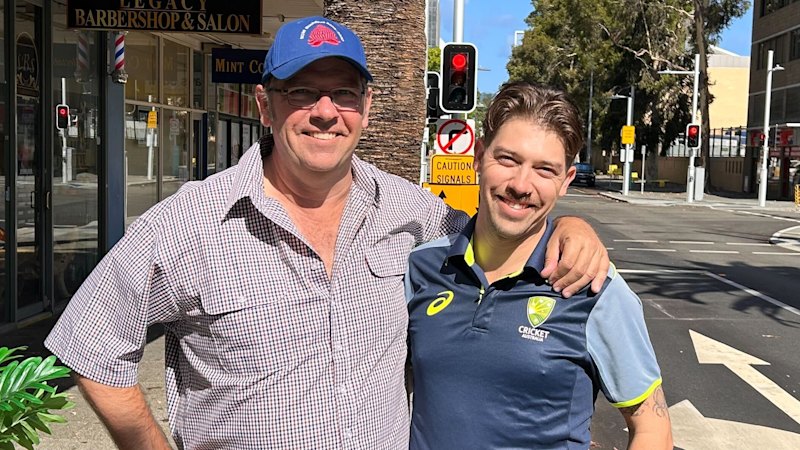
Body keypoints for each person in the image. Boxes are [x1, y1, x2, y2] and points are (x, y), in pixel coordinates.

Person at [45, 17, 609, 450]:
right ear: (264, 106)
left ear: (365, 107)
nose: (324, 112)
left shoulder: (414, 214)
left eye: (343, 93)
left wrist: (571, 226)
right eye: (301, 92)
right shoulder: (187, 223)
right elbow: (92, 351)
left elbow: (505, 227)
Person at [405, 82, 673, 450]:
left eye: (544, 169)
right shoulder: (421, 266)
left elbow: (652, 428)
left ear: (565, 182)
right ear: (478, 157)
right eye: (507, 159)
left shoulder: (593, 286)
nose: (521, 184)